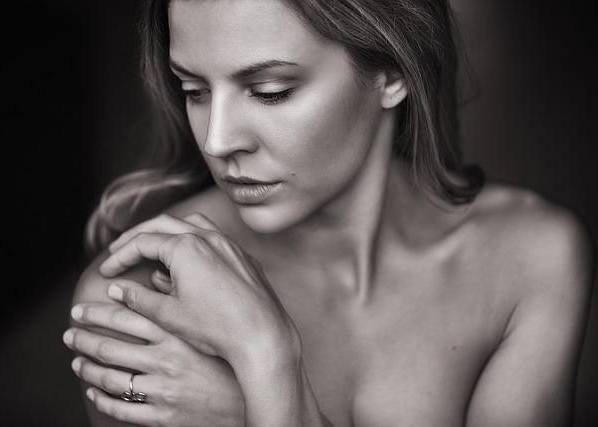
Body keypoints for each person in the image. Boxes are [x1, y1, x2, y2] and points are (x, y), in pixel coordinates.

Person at [62, 0, 595, 425]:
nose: (217, 140)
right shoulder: (137, 299)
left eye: (270, 92)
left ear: (392, 73)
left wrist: (267, 377)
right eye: (195, 90)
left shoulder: (531, 260)